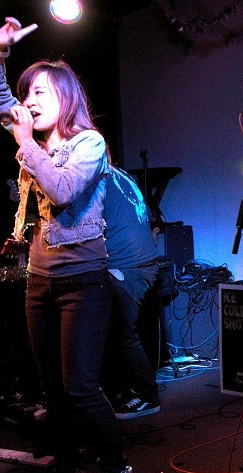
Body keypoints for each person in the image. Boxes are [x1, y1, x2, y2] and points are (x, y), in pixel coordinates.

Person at [0, 16, 136, 473]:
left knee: (81, 389)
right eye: (27, 93)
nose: (28, 101)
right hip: (40, 280)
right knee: (52, 393)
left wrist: (26, 141)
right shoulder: (32, 137)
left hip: (83, 281)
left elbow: (64, 190)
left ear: (65, 98)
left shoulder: (88, 144)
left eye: (40, 92)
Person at [101, 167, 162, 419]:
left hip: (126, 265)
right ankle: (120, 390)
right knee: (116, 331)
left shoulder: (97, 178)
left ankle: (148, 395)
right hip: (138, 263)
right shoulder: (122, 175)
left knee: (122, 333)